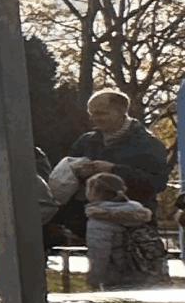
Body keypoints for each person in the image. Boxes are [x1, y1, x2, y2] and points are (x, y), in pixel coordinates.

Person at [48, 89, 174, 241]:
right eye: (91, 113)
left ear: (120, 112)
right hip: (93, 223)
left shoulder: (149, 144)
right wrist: (78, 173)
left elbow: (158, 184)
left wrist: (113, 170)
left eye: (101, 113)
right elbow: (66, 179)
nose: (94, 118)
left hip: (132, 224)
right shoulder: (86, 141)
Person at [85, 171, 165, 291]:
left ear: (93, 193)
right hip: (147, 270)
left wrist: (94, 279)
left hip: (118, 273)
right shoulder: (137, 210)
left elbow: (99, 253)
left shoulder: (99, 220)